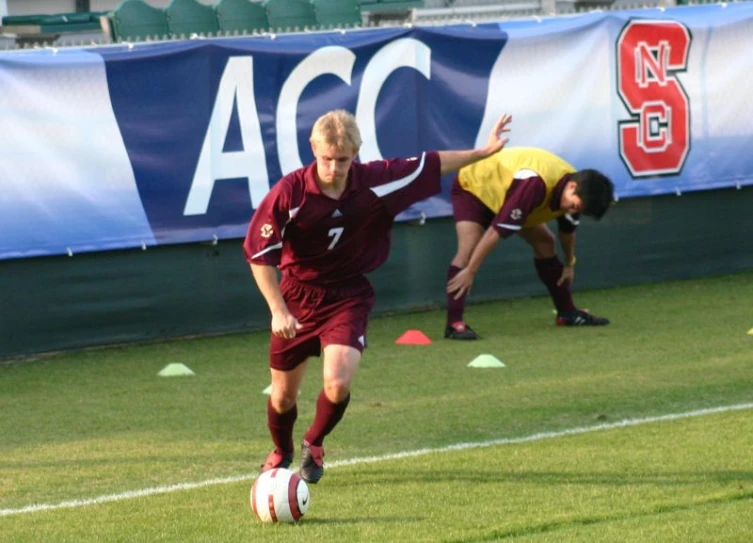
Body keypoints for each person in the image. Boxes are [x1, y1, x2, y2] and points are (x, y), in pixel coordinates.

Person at [243, 109, 513, 484]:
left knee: (337, 384)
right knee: (283, 397)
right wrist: (277, 309)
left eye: (343, 160)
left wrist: (482, 153)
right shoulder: (290, 193)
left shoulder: (377, 180)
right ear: (313, 149)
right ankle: (281, 449)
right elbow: (259, 254)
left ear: (356, 153)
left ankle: (314, 442)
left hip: (348, 295)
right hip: (296, 297)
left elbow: (430, 164)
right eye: (326, 159)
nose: (334, 168)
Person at [444, 146, 614, 340]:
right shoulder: (534, 184)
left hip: (507, 193)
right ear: (572, 187)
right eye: (574, 206)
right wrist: (471, 271)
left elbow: (567, 232)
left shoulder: (574, 192)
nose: (574, 212)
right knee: (468, 250)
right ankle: (454, 324)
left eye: (579, 211)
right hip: (475, 185)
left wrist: (569, 264)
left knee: (545, 242)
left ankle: (567, 313)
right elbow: (496, 231)